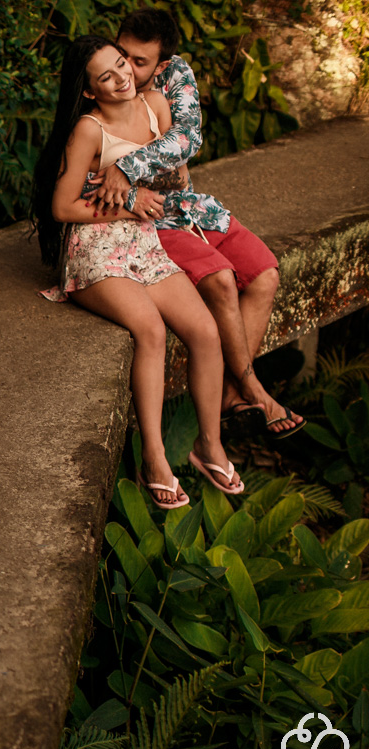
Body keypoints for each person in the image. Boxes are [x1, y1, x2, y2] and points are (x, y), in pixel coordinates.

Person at [32, 35, 244, 508]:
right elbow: (63, 206)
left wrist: (134, 185)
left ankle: (209, 445)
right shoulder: (89, 129)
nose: (122, 76)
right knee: (150, 329)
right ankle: (155, 457)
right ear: (90, 90)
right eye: (106, 75)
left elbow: (177, 172)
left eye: (122, 64)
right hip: (96, 247)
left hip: (144, 241)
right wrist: (129, 208)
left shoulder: (153, 107)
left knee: (205, 331)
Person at [85, 8, 305, 440]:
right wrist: (148, 175)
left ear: (163, 65)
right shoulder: (101, 79)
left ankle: (226, 394)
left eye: (140, 62)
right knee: (221, 281)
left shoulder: (176, 76)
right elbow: (94, 178)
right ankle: (253, 387)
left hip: (188, 207)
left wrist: (130, 165)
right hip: (143, 220)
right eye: (123, 54)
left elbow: (187, 140)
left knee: (264, 273)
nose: (127, 69)